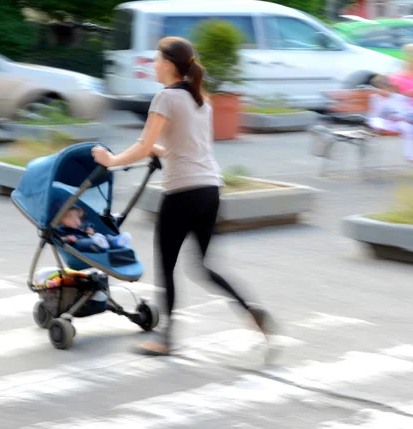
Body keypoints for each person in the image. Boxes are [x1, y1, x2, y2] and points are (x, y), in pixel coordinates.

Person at [91, 36, 274, 356]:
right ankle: (250, 310)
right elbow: (186, 147)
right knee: (203, 265)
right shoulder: (201, 100)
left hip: (182, 193)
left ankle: (165, 339)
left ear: (169, 65)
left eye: (156, 59)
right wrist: (161, 150)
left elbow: (143, 146)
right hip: (209, 190)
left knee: (167, 266)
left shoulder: (165, 98)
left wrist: (111, 161)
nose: (152, 65)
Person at [366, 74, 413, 165]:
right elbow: (377, 114)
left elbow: (405, 110)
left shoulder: (396, 97)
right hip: (380, 121)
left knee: (407, 126)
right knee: (376, 122)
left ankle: (410, 156)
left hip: (394, 123)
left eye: (385, 87)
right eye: (380, 87)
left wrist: (401, 117)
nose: (384, 89)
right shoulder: (376, 98)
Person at [57, 206, 132, 252]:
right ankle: (100, 245)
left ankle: (116, 241)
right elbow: (57, 239)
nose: (76, 220)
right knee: (83, 243)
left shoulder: (82, 226)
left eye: (77, 217)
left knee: (106, 236)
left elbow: (91, 229)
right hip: (79, 243)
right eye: (70, 217)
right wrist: (67, 238)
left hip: (93, 238)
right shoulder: (61, 229)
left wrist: (91, 232)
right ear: (60, 219)